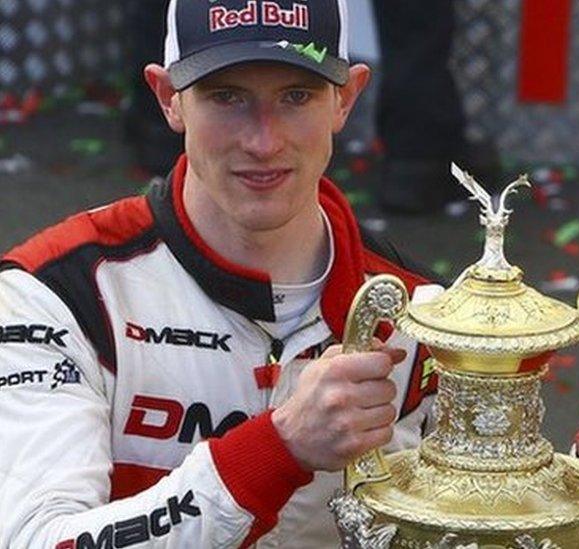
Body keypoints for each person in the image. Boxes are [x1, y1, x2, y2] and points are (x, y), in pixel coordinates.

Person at [0, 0, 442, 546]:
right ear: (169, 99)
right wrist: (276, 449)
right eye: (226, 96)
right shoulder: (58, 295)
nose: (262, 141)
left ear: (345, 99)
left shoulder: (427, 317)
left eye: (296, 96)